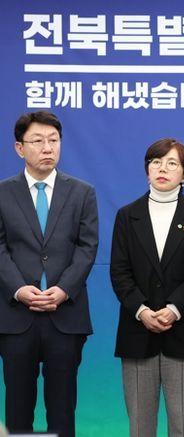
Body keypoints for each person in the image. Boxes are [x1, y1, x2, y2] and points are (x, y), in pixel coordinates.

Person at [0, 111, 99, 437]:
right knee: (17, 408)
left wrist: (64, 289)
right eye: (38, 141)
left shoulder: (82, 192)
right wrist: (18, 289)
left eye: (53, 140)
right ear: (19, 148)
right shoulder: (3, 192)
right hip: (16, 317)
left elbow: (87, 247)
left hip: (65, 315)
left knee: (62, 408)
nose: (47, 148)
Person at [110, 138, 184, 437]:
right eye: (156, 162)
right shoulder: (127, 215)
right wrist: (142, 311)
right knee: (140, 426)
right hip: (137, 330)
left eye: (172, 163)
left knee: (182, 425)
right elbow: (119, 272)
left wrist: (173, 309)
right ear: (147, 170)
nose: (162, 169)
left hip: (183, 330)